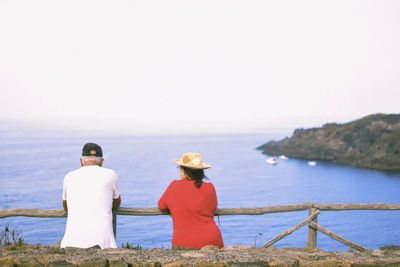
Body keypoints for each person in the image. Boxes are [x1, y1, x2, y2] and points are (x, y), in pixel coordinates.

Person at [60, 143, 121, 249]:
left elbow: (66, 206)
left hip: (71, 243)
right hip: (104, 243)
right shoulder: (111, 175)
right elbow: (116, 202)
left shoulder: (69, 177)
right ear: (102, 161)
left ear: (81, 161)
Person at [158, 152, 224, 249]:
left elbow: (161, 206)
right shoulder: (210, 188)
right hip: (211, 241)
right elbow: (213, 208)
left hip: (183, 243)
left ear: (184, 171)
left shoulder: (174, 186)